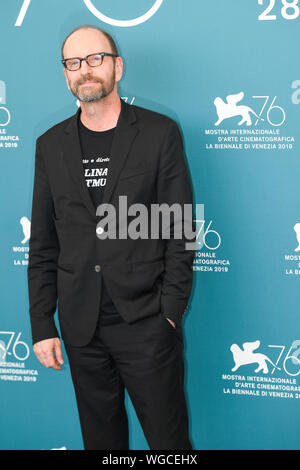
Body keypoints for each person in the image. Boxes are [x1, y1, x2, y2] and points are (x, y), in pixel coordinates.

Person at [27, 24, 196, 450]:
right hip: (82, 328)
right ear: (65, 74)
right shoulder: (49, 145)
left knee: (169, 446)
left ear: (117, 67)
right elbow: (44, 242)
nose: (84, 70)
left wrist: (170, 312)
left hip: (146, 323)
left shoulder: (159, 134)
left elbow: (179, 228)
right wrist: (43, 323)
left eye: (95, 58)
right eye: (73, 62)